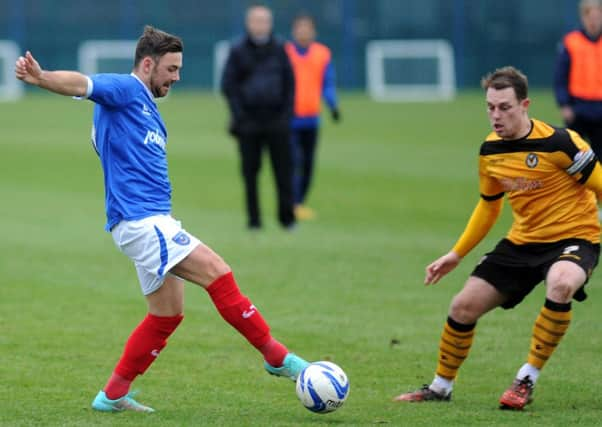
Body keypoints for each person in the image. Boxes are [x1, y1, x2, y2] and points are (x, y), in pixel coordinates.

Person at [15, 25, 309, 414]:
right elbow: (84, 84)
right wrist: (42, 78)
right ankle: (277, 358)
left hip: (150, 221)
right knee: (218, 272)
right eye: (171, 69)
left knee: (167, 314)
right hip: (142, 222)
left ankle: (112, 395)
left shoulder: (146, 109)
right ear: (148, 64)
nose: (176, 77)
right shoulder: (126, 89)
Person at [394, 66, 602, 410]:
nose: (496, 115)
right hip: (523, 242)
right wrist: (456, 254)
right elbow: (489, 208)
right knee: (463, 306)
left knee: (562, 283)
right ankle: (440, 387)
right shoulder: (491, 152)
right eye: (490, 107)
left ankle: (526, 379)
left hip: (575, 237)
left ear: (525, 104)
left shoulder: (561, 143)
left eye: (504, 107)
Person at [221, 4, 296, 230]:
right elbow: (228, 85)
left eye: (264, 20)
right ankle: (254, 221)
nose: (260, 25)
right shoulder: (238, 50)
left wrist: (286, 115)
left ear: (270, 23)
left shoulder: (281, 48)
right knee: (250, 173)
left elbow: (290, 83)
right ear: (248, 23)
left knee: (283, 171)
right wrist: (239, 115)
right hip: (249, 122)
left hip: (277, 120)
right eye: (256, 20)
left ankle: (287, 219)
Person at [285, 14, 340, 221]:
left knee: (308, 164)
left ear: (313, 31)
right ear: (294, 30)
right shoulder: (286, 53)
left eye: (307, 28)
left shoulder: (322, 54)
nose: (303, 32)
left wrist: (333, 105)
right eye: (300, 28)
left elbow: (328, 83)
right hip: (290, 119)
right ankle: (292, 203)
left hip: (311, 119)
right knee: (294, 161)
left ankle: (299, 202)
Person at [554, 0, 602, 158]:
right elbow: (560, 77)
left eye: (597, 17)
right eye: (590, 17)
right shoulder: (571, 42)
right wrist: (564, 104)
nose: (593, 21)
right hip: (577, 108)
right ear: (583, 17)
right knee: (574, 157)